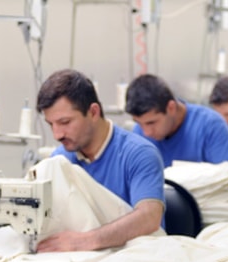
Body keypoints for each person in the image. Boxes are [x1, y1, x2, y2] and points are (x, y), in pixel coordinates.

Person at [36, 68, 165, 252]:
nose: (57, 134)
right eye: (51, 124)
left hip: (135, 256)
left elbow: (149, 217)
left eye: (65, 122)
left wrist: (85, 241)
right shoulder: (60, 160)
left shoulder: (139, 154)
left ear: (93, 112)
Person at [125, 73, 228, 167]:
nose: (147, 132)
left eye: (151, 123)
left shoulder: (210, 126)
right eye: (139, 123)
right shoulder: (139, 134)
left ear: (171, 108)